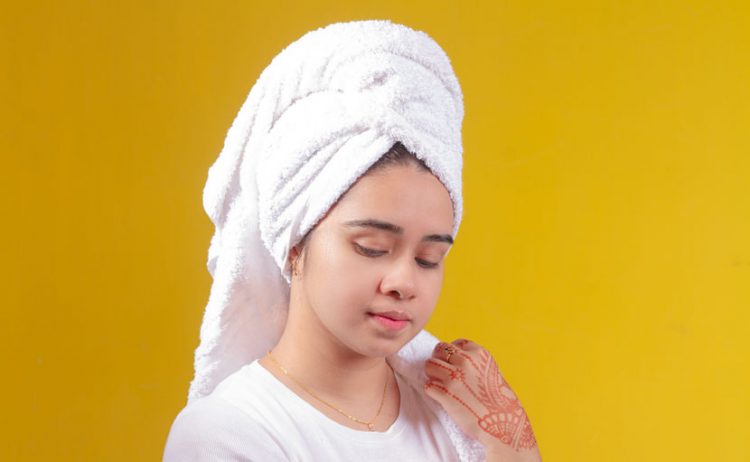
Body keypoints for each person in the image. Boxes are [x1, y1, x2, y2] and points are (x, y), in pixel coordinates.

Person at [164, 20, 541, 462]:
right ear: (295, 244)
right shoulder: (227, 433)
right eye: (371, 248)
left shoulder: (459, 419)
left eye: (429, 257)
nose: (404, 282)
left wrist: (513, 445)